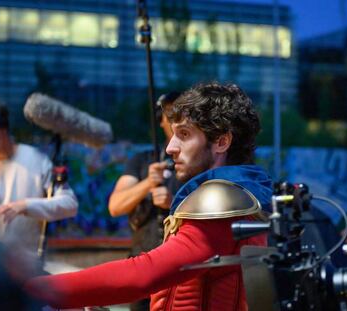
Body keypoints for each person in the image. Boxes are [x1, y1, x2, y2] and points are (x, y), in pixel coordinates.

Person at [25, 82, 273, 310]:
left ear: (221, 141)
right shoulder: (245, 193)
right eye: (173, 134)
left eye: (184, 135)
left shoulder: (221, 201)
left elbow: (142, 275)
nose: (170, 148)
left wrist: (38, 289)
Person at [0, 97, 78, 272]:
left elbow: (70, 205)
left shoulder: (36, 160)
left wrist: (25, 205)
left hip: (29, 264)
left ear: (3, 126)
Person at [108, 92, 182, 310]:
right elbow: (115, 206)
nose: (176, 120)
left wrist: (173, 204)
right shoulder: (141, 161)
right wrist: (147, 183)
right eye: (171, 114)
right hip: (143, 267)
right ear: (161, 121)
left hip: (181, 269)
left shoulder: (197, 164)